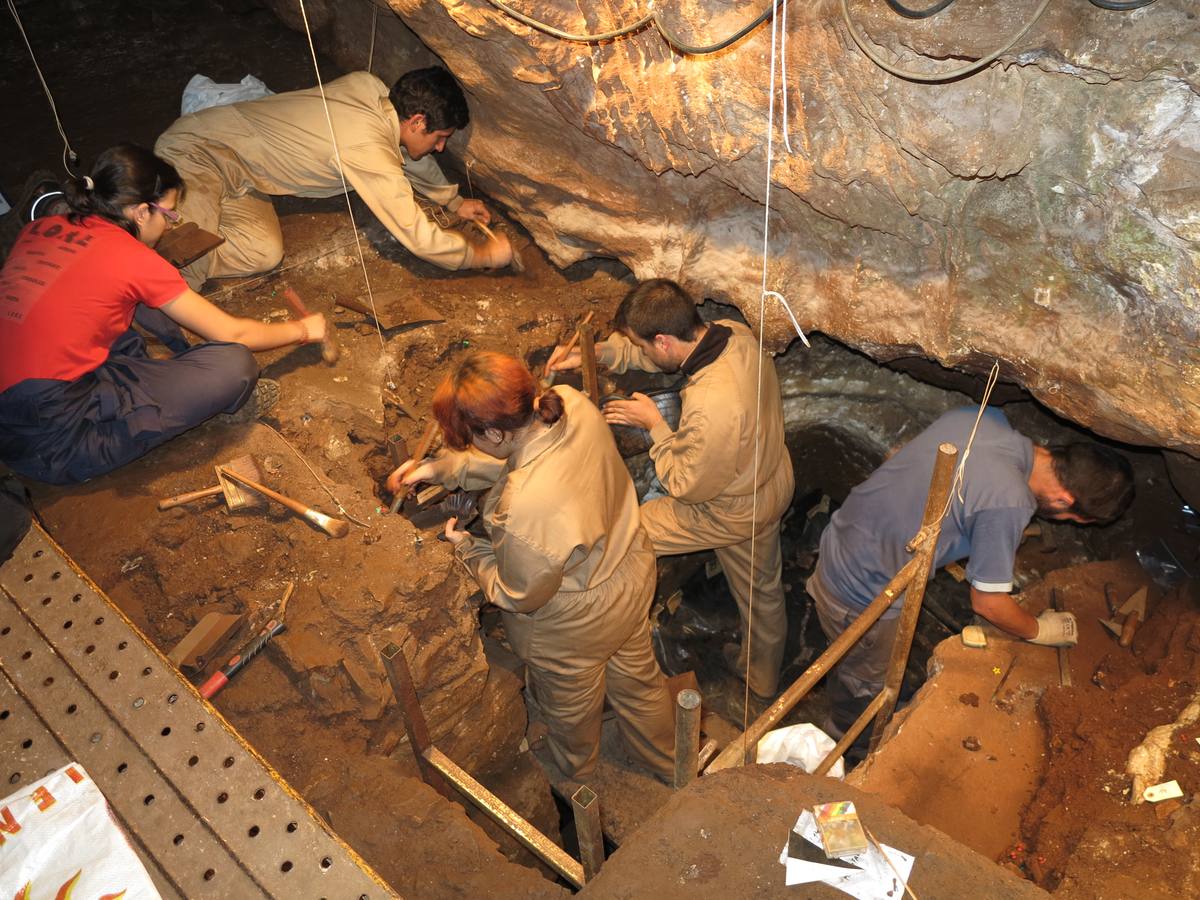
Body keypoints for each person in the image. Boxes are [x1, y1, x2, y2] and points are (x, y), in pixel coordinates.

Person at [385, 352, 675, 782]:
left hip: (579, 620)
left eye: (470, 440)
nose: (468, 447)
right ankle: (673, 764)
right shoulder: (566, 401)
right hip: (630, 567)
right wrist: (446, 468)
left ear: (496, 433)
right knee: (639, 680)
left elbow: (519, 594)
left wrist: (469, 550)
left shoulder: (523, 511)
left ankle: (576, 773)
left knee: (572, 707)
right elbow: (523, 455)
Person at [809, 405, 1134, 751]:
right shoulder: (1010, 503)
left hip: (842, 534)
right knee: (862, 682)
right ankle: (852, 745)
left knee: (875, 665)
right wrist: (1040, 629)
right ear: (1064, 500)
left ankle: (885, 693)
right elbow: (988, 603)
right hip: (863, 593)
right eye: (1071, 518)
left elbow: (898, 454)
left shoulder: (983, 418)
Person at [0, 144, 327, 485]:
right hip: (47, 439)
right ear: (141, 212)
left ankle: (151, 386)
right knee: (234, 366)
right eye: (169, 214)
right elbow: (235, 335)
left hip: (24, 389)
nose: (171, 224)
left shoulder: (42, 227)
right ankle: (133, 420)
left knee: (120, 311)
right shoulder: (132, 259)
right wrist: (302, 329)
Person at [549, 279, 796, 701]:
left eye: (643, 346)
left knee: (624, 535)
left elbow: (685, 485)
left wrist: (654, 426)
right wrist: (597, 353)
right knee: (762, 592)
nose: (643, 353)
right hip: (768, 481)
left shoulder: (715, 406)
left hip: (727, 509)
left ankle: (616, 647)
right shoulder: (733, 333)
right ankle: (763, 677)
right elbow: (656, 357)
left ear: (662, 340)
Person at [154, 66, 511, 290]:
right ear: (417, 121)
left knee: (263, 253)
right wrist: (481, 255)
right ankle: (140, 277)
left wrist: (455, 201)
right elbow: (421, 239)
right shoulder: (367, 148)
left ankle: (165, 232)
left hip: (243, 175)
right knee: (186, 256)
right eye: (440, 137)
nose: (438, 148)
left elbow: (406, 153)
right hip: (199, 152)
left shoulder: (371, 88)